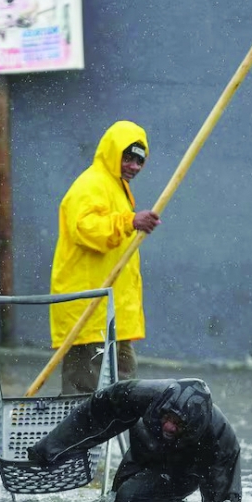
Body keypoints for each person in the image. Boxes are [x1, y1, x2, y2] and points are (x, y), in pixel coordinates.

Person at [50, 120, 161, 395]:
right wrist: (130, 221)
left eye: (139, 160)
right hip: (89, 312)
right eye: (128, 157)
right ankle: (82, 439)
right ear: (112, 152)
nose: (134, 166)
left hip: (110, 314)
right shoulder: (91, 184)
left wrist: (129, 220)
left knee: (125, 389)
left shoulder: (116, 188)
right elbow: (86, 229)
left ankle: (118, 438)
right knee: (85, 393)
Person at [26, 378, 242, 502]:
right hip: (143, 452)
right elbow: (93, 415)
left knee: (127, 499)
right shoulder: (146, 394)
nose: (168, 425)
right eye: (167, 416)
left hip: (182, 471)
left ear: (194, 426)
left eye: (177, 423)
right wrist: (49, 449)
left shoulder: (221, 438)